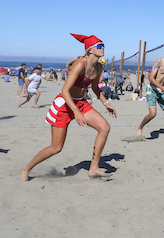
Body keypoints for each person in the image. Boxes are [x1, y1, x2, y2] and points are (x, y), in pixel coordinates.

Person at [21, 34, 116, 181]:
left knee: (104, 127)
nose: (102, 48)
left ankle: (93, 168)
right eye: (99, 46)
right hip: (64, 105)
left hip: (80, 102)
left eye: (103, 45)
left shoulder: (99, 67)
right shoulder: (80, 64)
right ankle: (27, 168)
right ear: (90, 50)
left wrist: (106, 104)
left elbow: (96, 89)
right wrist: (76, 112)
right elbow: (65, 90)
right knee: (56, 148)